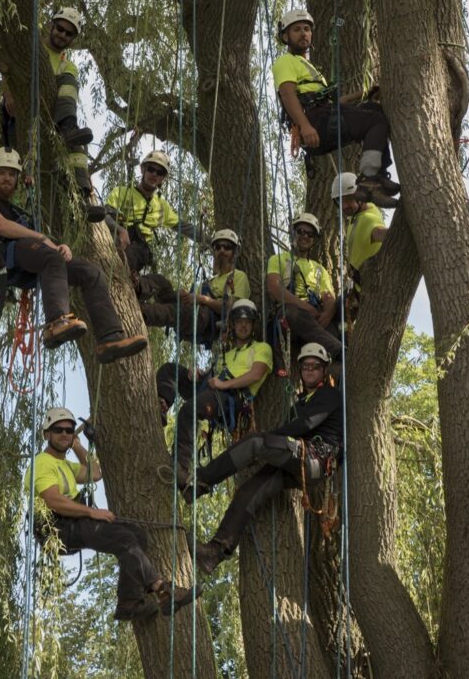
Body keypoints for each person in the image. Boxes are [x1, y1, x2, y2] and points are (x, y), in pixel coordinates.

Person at [0, 147, 148, 361]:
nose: (7, 178)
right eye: (1, 173)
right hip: (8, 256)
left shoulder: (19, 212)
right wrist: (44, 241)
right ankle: (56, 324)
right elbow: (1, 227)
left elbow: (39, 240)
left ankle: (110, 338)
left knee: (90, 272)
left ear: (17, 178)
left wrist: (59, 246)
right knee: (50, 257)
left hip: (36, 261)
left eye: (11, 174)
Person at [187, 344, 342, 574]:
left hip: (315, 458)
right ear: (300, 369)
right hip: (299, 463)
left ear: (324, 370)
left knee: (255, 442)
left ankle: (202, 480)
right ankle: (216, 551)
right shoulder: (301, 402)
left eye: (315, 367)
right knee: (250, 490)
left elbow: (306, 425)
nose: (310, 370)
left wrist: (267, 441)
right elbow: (293, 428)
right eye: (305, 366)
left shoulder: (329, 394)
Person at [27, 407, 193, 620]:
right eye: (58, 430)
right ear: (47, 434)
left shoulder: (65, 465)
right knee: (123, 539)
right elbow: (53, 500)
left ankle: (129, 602)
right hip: (57, 528)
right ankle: (162, 590)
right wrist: (91, 513)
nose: (64, 434)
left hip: (73, 522)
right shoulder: (42, 463)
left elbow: (95, 473)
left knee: (137, 535)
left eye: (69, 431)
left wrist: (77, 446)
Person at [272, 8, 400, 208]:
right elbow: (288, 95)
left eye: (306, 29)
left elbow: (333, 105)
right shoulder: (285, 62)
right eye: (296, 29)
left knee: (375, 111)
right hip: (315, 122)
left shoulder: (312, 70)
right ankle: (369, 178)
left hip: (324, 117)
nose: (303, 33)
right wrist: (305, 126)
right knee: (376, 121)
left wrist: (365, 94)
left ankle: (379, 177)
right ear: (285, 36)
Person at [156, 299, 273, 489]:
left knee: (189, 410)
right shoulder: (226, 354)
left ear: (253, 325)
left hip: (230, 398)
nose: (243, 325)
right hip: (212, 387)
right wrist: (200, 374)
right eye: (239, 321)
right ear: (232, 325)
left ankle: (181, 467)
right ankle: (162, 404)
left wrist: (224, 384)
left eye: (247, 322)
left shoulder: (261, 348)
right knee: (170, 370)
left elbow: (256, 374)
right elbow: (215, 376)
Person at [1, 7, 103, 222]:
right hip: (20, 117)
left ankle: (82, 199)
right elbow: (8, 71)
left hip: (51, 121)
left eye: (68, 33)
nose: (62, 35)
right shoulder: (32, 47)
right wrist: (9, 96)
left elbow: (64, 96)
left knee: (77, 146)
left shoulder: (69, 66)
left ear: (73, 40)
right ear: (51, 25)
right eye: (60, 28)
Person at [105, 151, 207, 276]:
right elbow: (105, 215)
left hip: (140, 248)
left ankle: (125, 271)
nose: (154, 174)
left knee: (136, 253)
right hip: (119, 237)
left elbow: (185, 227)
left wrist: (210, 241)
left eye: (160, 173)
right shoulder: (121, 192)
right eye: (151, 169)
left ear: (163, 178)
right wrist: (120, 229)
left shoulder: (161, 206)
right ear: (143, 169)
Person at [141, 229, 251, 344]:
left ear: (234, 252)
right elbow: (194, 300)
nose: (222, 250)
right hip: (194, 311)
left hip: (207, 320)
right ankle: (137, 286)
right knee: (159, 281)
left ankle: (142, 313)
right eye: (218, 247)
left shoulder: (238, 276)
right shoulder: (210, 281)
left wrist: (203, 299)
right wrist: (186, 296)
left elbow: (231, 309)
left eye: (227, 247)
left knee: (173, 312)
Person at [266, 212, 342, 361]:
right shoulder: (279, 259)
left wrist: (327, 314)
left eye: (310, 234)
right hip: (289, 315)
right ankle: (338, 350)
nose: (305, 236)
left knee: (333, 328)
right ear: (293, 233)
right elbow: (274, 288)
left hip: (314, 319)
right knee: (293, 313)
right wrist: (305, 307)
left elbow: (329, 298)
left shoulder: (319, 269)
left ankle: (339, 370)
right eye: (300, 231)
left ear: (314, 239)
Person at [330, 171, 387, 294]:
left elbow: (379, 232)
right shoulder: (358, 214)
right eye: (340, 201)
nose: (345, 206)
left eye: (349, 199)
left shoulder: (368, 219)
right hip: (356, 287)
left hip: (366, 292)